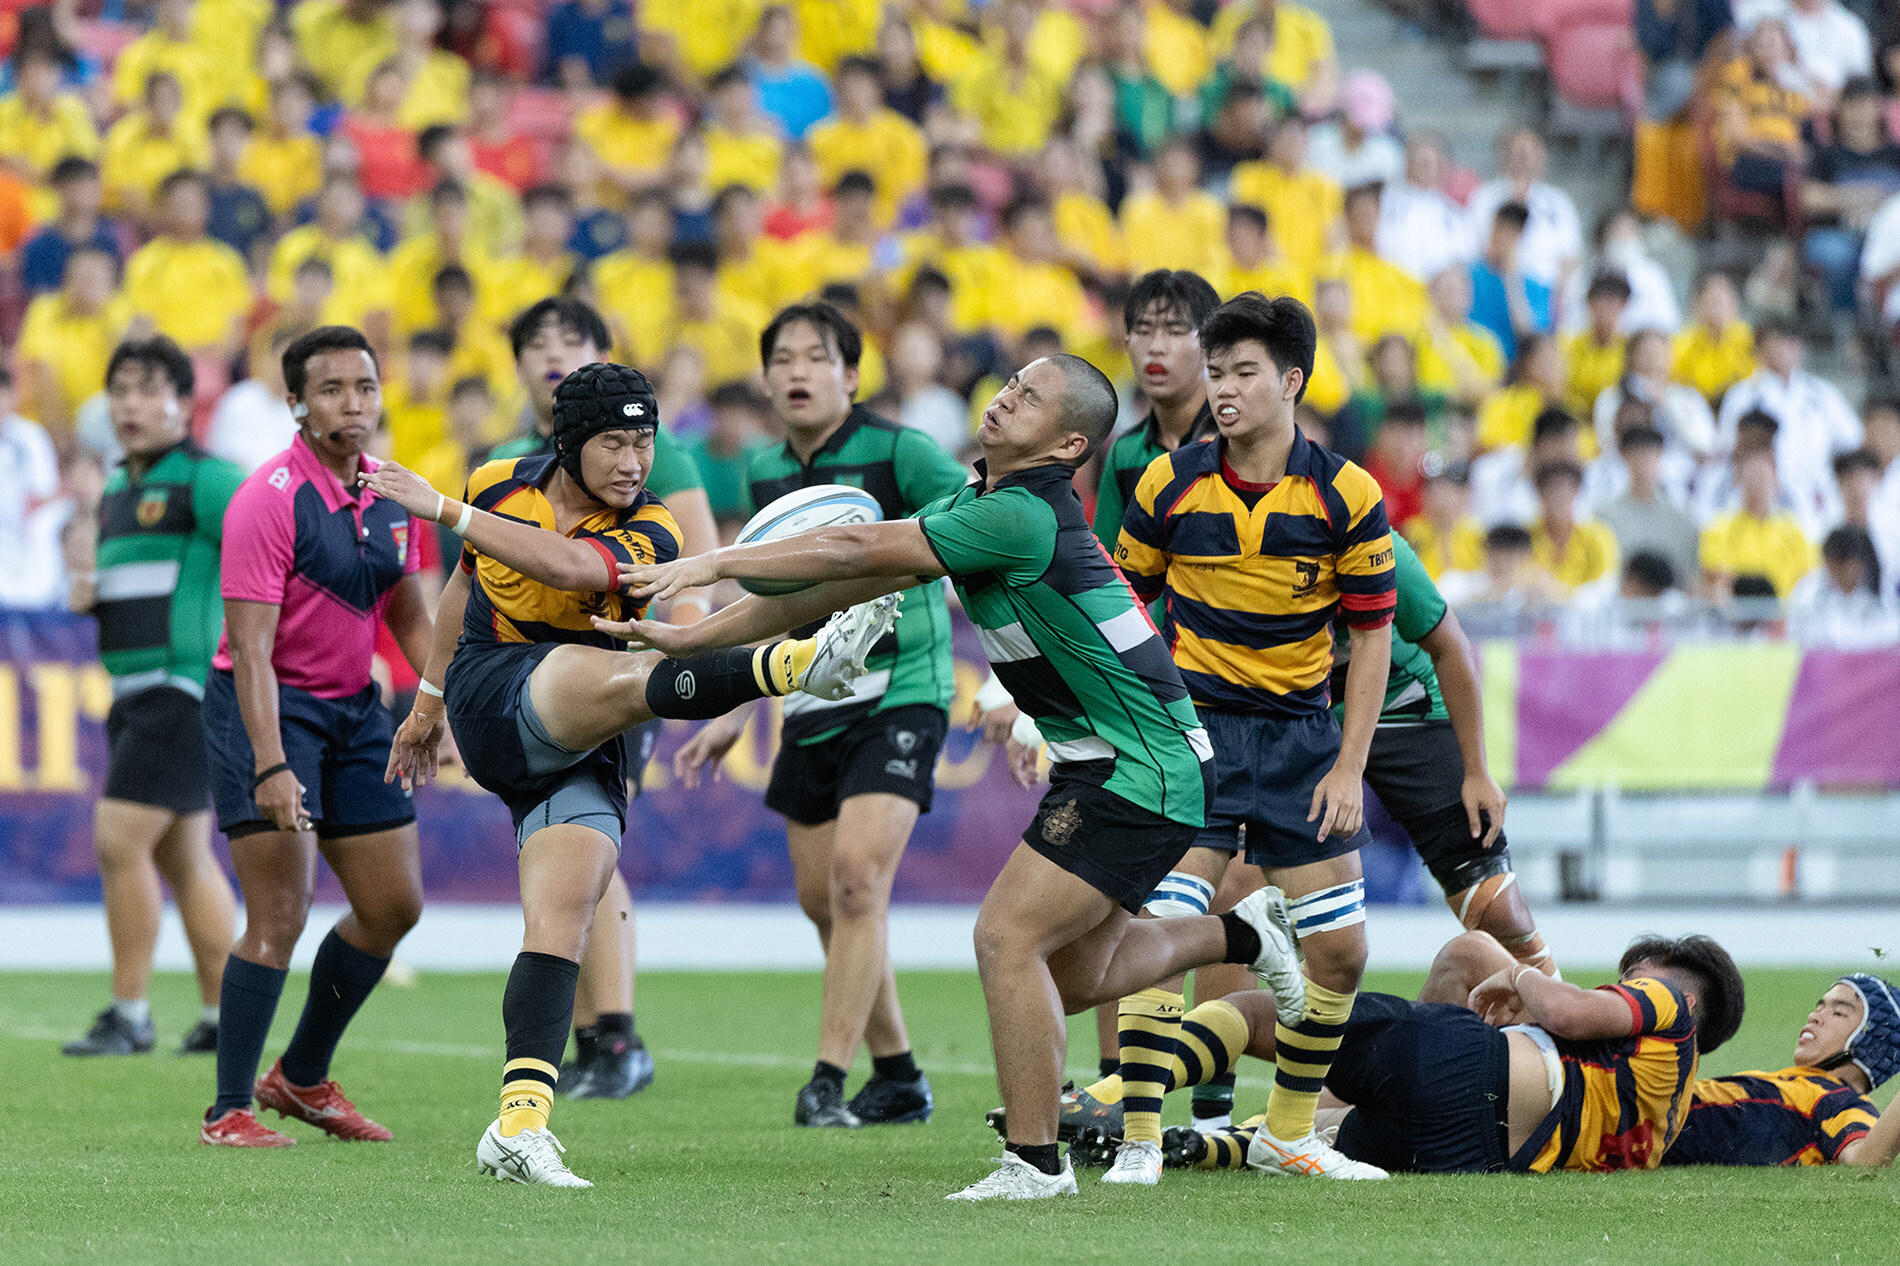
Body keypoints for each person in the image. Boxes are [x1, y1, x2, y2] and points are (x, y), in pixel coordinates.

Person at [596, 351, 1295, 1201]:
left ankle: (1035, 1164)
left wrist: (711, 565)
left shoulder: (1024, 515)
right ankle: (1246, 933)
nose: (1003, 401)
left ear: (1068, 443)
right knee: (1067, 975)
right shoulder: (977, 505)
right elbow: (839, 582)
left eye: (1029, 397)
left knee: (1005, 939)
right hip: (1129, 760)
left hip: (1140, 764)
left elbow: (855, 544)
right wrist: (696, 636)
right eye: (1008, 386)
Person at [359, 362, 897, 1186]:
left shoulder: (652, 529)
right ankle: (797, 664)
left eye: (644, 441)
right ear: (569, 442)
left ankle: (518, 1126)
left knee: (563, 918)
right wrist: (427, 703)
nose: (633, 460)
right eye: (614, 440)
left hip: (586, 730)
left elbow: (570, 571)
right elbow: (465, 594)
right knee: (606, 672)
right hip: (497, 693)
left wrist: (442, 508)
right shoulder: (499, 483)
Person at [1112, 293, 1398, 1183]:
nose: (1224, 390)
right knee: (1159, 927)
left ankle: (1286, 1132)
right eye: (1218, 372)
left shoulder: (1348, 493)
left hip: (1300, 745)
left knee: (1343, 951)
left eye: (1243, 373)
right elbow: (1121, 607)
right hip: (1193, 738)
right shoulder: (1167, 482)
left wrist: (1350, 764)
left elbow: (1374, 636)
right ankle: (1138, 1141)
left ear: (1292, 382)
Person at [671, 302, 969, 1128]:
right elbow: (773, 604)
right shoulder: (764, 470)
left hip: (905, 686)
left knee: (856, 881)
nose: (797, 371)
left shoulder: (901, 450)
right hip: (810, 692)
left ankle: (827, 1082)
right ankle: (900, 1073)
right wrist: (734, 706)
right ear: (766, 379)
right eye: (783, 359)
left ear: (852, 374)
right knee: (823, 900)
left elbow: (977, 516)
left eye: (816, 356)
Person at [195, 326, 433, 1148]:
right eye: (331, 389)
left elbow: (404, 607)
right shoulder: (269, 497)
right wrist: (269, 764)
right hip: (265, 709)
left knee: (393, 906)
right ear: (295, 402)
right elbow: (250, 650)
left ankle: (299, 1079)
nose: (353, 403)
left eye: (365, 386)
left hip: (354, 709)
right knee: (281, 913)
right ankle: (228, 1111)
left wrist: (433, 707)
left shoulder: (396, 493)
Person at [488, 296, 721, 1099]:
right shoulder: (503, 463)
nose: (553, 352)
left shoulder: (659, 461)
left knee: (590, 845)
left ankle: (615, 1034)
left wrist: (685, 656)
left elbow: (697, 572)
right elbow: (472, 582)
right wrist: (439, 692)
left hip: (619, 672)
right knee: (553, 857)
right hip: (518, 679)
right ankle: (587, 1040)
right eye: (536, 340)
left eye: (573, 339)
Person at [1145, 930, 1743, 1176]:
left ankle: (1117, 1101)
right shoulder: (1661, 1116)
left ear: (1687, 1001)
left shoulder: (1668, 1004)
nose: (1621, 986)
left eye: (1633, 976)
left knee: (1257, 1015)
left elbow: (1568, 1011)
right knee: (1315, 1132)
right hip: (1459, 1154)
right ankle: (1205, 1148)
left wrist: (1520, 977)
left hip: (1466, 1069)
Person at [60, 338, 240, 1059]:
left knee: (117, 839)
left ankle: (130, 1014)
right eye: (119, 390)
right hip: (134, 690)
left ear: (182, 401)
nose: (129, 404)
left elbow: (276, 545)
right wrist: (91, 598)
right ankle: (227, 1018)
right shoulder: (115, 489)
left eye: (146, 388)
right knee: (183, 859)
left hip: (183, 687)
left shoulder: (209, 477)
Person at [1664, 973, 1900, 1167]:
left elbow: (1865, 1160)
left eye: (1838, 1012)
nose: (1814, 1016)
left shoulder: (1840, 1101)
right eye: (1820, 1007)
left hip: (1647, 1128)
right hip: (1647, 1111)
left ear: (1874, 1046)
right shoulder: (1796, 1082)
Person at [1090, 271, 1220, 552]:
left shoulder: (1239, 443)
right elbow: (1108, 574)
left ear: (1210, 346)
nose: (1155, 348)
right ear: (1126, 342)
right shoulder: (1123, 454)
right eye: (1143, 330)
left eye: (1175, 331)